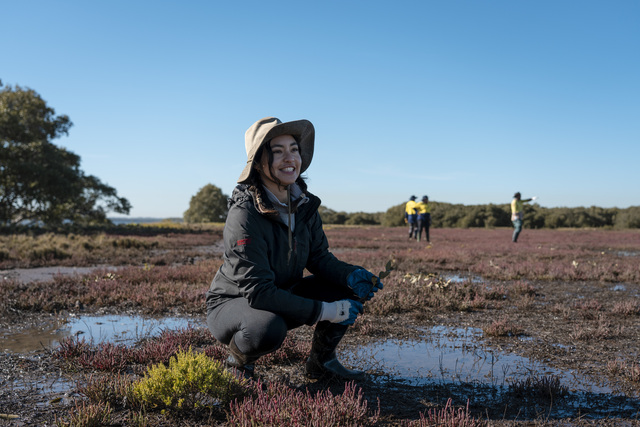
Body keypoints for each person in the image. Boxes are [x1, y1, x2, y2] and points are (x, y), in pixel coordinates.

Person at [205, 117, 383, 381]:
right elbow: (258, 291)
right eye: (277, 152)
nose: (289, 158)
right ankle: (238, 367)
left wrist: (351, 274)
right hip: (235, 302)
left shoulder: (304, 205)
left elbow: (319, 257)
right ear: (258, 162)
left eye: (294, 149)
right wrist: (326, 311)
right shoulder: (244, 214)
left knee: (349, 289)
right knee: (266, 329)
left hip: (283, 291)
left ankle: (322, 363)